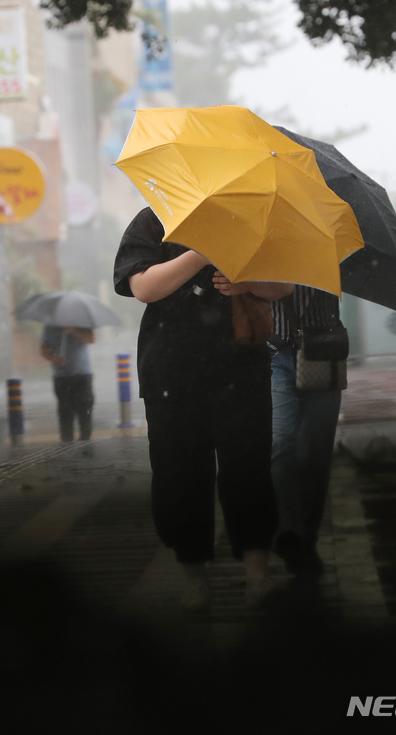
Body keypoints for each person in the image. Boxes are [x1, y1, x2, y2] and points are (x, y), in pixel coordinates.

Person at [113, 207, 292, 611]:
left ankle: (256, 572)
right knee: (180, 475)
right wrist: (202, 252)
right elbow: (142, 287)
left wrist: (246, 280)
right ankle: (193, 575)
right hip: (171, 376)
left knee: (248, 469)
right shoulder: (153, 221)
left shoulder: (247, 218)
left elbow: (282, 287)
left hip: (241, 368)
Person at [267, 286, 346, 574]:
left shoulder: (333, 245)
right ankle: (290, 533)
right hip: (273, 354)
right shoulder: (260, 243)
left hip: (322, 350)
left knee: (315, 452)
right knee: (280, 443)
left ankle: (307, 537)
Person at [40, 324, 95, 442]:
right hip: (62, 376)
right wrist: (55, 359)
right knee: (65, 411)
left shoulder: (81, 322)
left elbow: (91, 339)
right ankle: (66, 441)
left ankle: (85, 440)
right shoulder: (50, 326)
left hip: (82, 373)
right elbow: (43, 349)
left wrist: (74, 330)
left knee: (85, 408)